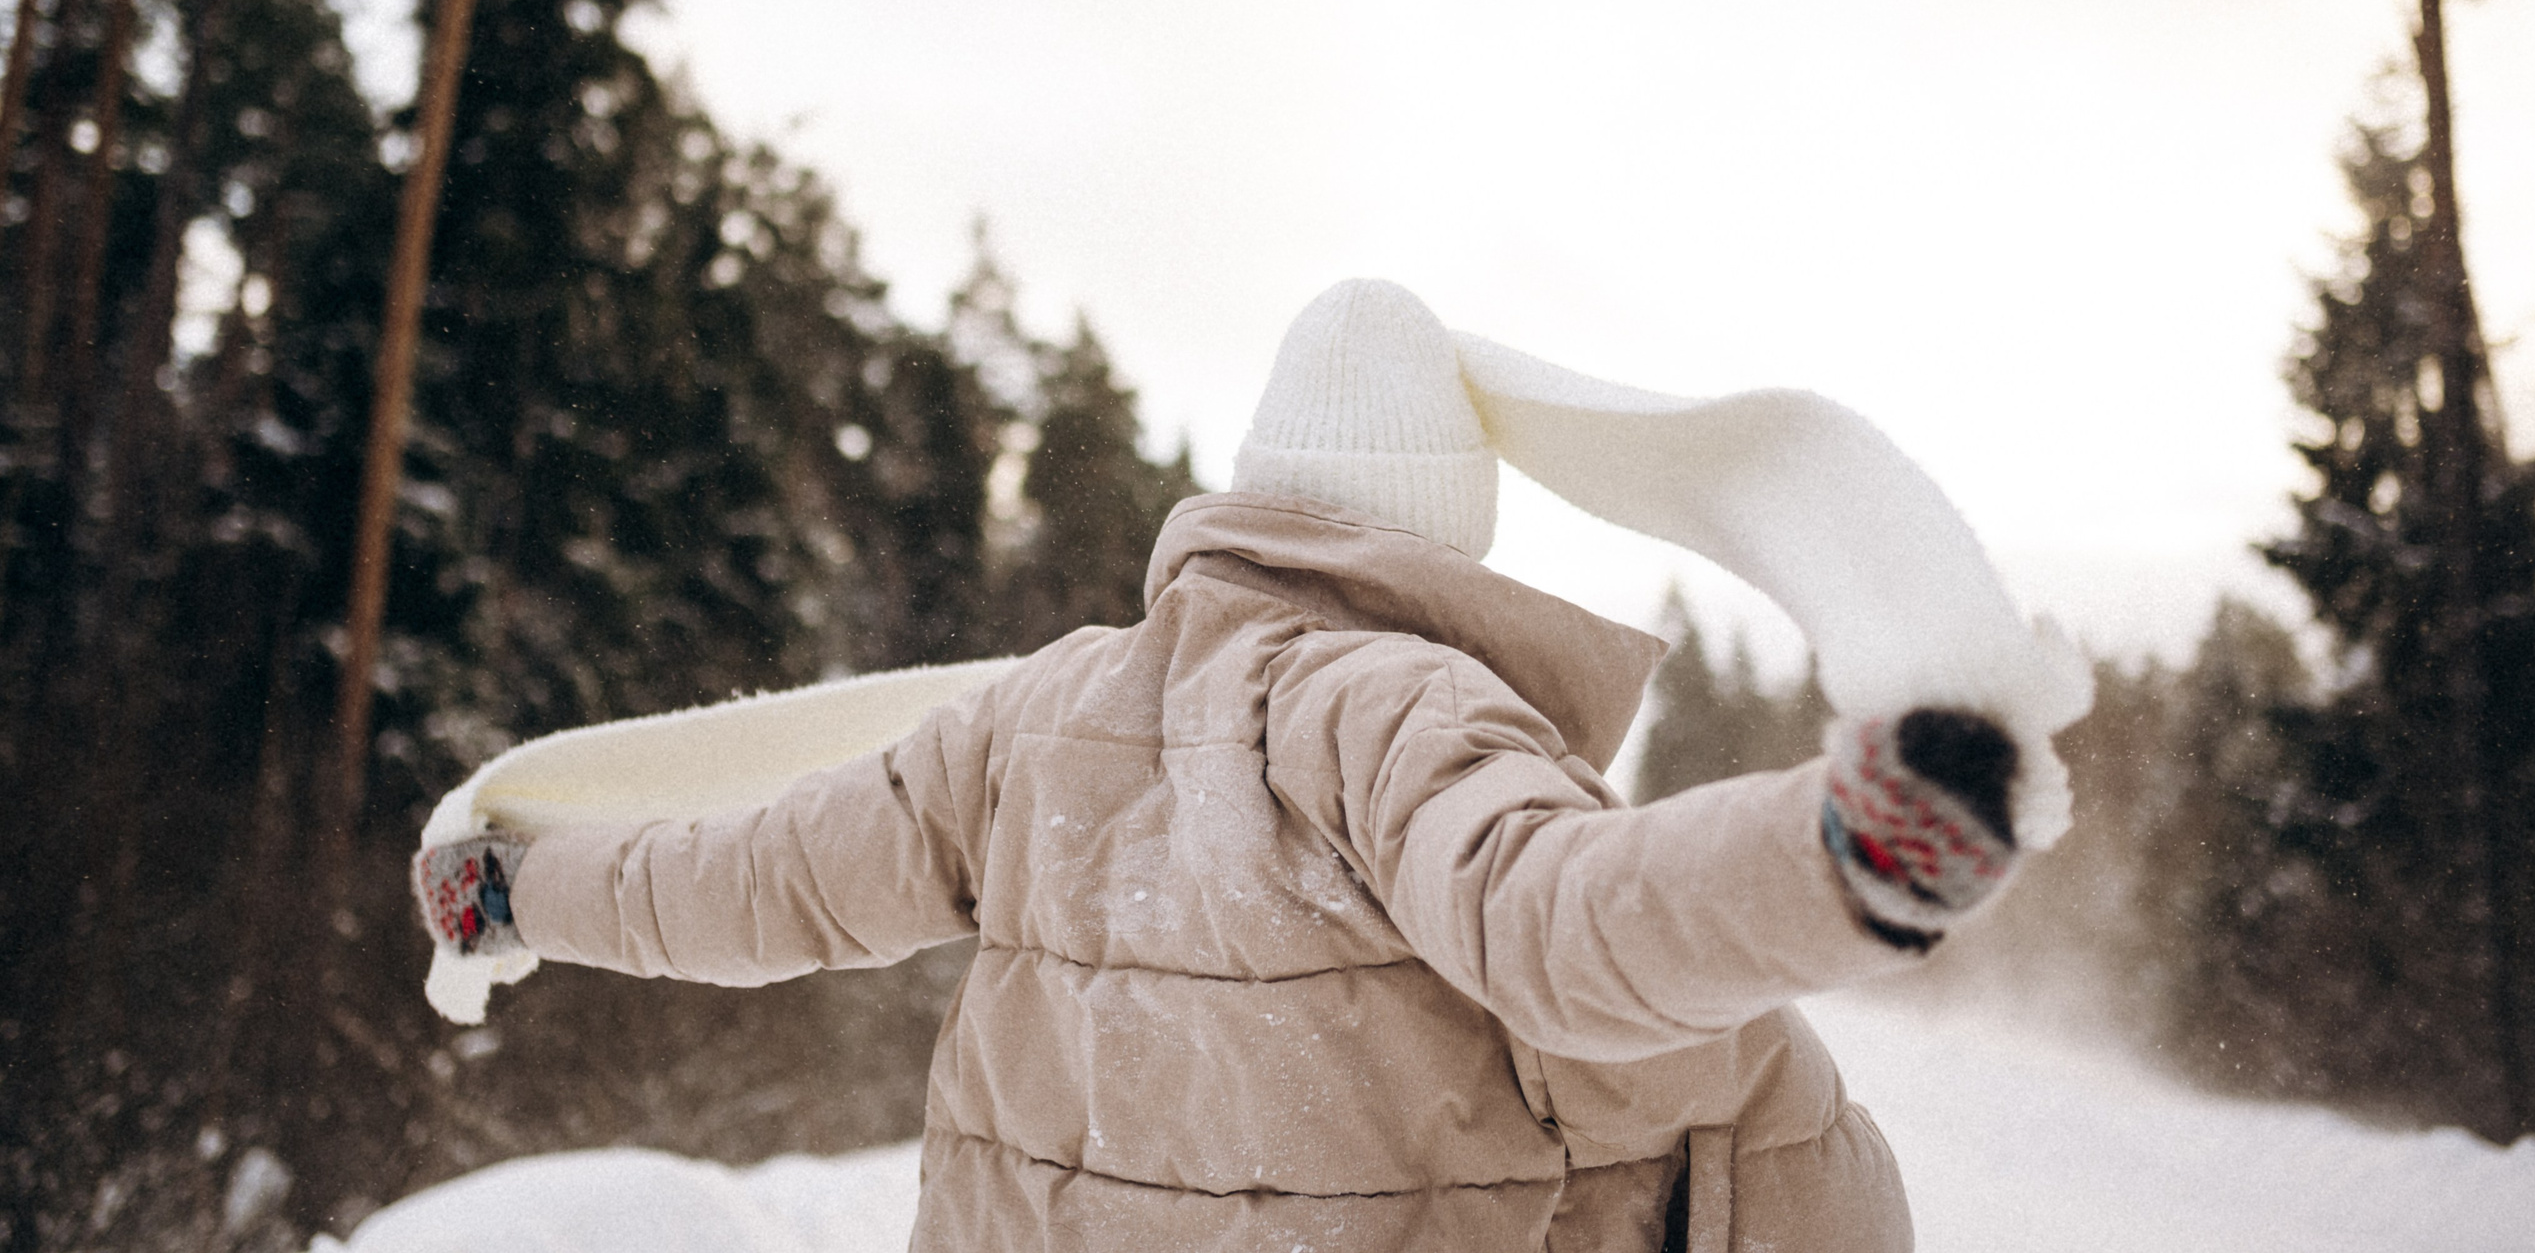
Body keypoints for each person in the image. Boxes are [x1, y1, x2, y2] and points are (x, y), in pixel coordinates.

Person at [416, 279, 2060, 1253]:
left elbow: (748, 881)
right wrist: (1836, 854)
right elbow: (1566, 917)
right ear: (1440, 531)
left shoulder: (1034, 718)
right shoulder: (1396, 709)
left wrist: (521, 889)